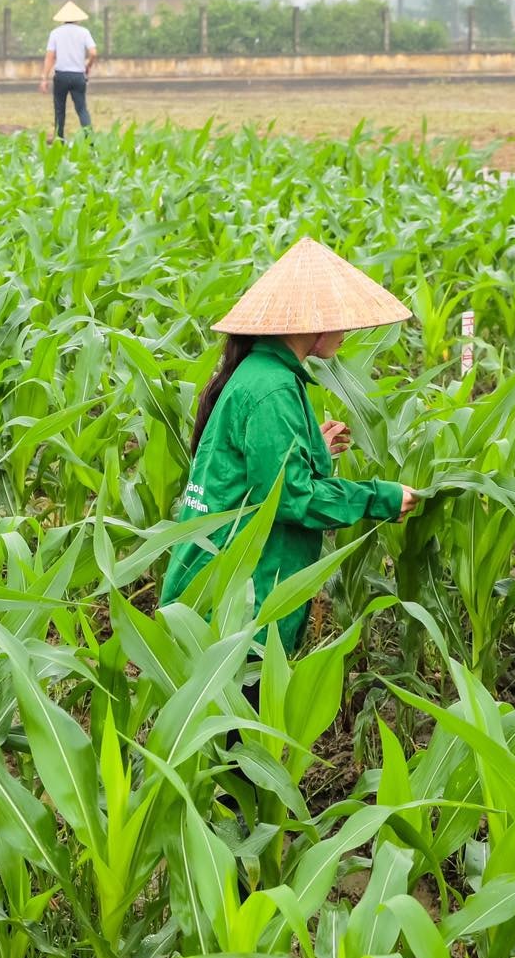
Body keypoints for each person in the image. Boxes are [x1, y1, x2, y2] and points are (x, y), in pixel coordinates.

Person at [160, 237, 420, 656]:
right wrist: (381, 497)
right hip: (240, 599)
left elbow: (254, 464)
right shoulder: (272, 389)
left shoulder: (259, 372)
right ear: (311, 322)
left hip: (221, 585)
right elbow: (290, 496)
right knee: (243, 715)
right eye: (340, 317)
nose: (347, 328)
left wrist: (308, 444)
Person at [39, 0, 98, 139]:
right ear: (77, 18)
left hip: (61, 76)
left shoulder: (55, 33)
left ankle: (59, 142)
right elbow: (94, 53)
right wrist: (88, 66)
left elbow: (50, 57)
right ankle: (90, 142)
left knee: (59, 110)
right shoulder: (84, 32)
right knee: (82, 109)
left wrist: (44, 78)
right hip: (78, 76)